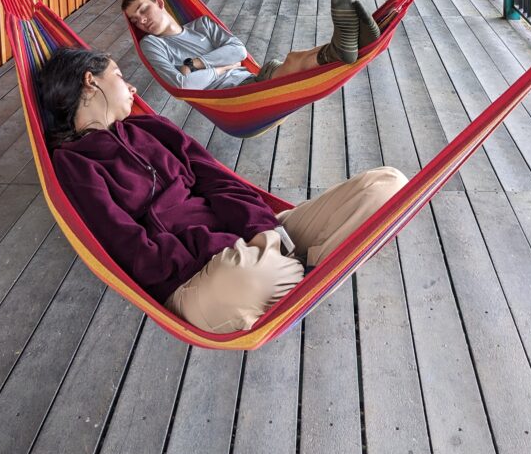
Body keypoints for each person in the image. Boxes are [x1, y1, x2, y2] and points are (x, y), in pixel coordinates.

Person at [37, 47, 407, 333]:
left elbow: (217, 178)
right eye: (119, 75)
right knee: (246, 278)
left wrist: (263, 229)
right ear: (91, 81)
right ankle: (302, 269)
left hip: (258, 239)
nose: (131, 86)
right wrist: (218, 250)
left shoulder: (150, 128)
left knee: (387, 186)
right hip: (202, 278)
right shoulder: (74, 165)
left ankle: (296, 267)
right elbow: (124, 242)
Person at [123, 0, 381, 90]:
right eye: (135, 20)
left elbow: (239, 51)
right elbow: (183, 84)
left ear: (159, 2)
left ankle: (347, 46)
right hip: (233, 96)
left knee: (292, 60)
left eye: (143, 11)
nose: (141, 21)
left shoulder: (201, 25)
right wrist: (222, 67)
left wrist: (198, 64)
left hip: (251, 77)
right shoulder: (153, 44)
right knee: (289, 69)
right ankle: (345, 46)